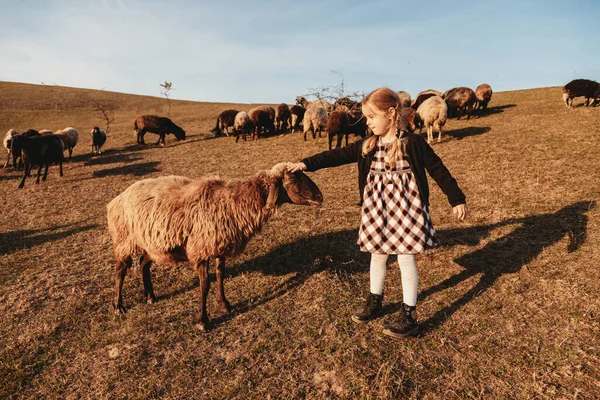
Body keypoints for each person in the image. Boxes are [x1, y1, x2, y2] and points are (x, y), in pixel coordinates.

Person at [287, 87, 467, 338]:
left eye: (371, 117)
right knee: (377, 255)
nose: (368, 122)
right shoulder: (367, 145)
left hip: (407, 210)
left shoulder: (413, 143)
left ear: (391, 113)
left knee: (405, 258)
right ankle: (375, 299)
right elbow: (335, 155)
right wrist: (306, 163)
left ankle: (409, 313)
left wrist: (456, 199)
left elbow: (439, 170)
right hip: (376, 210)